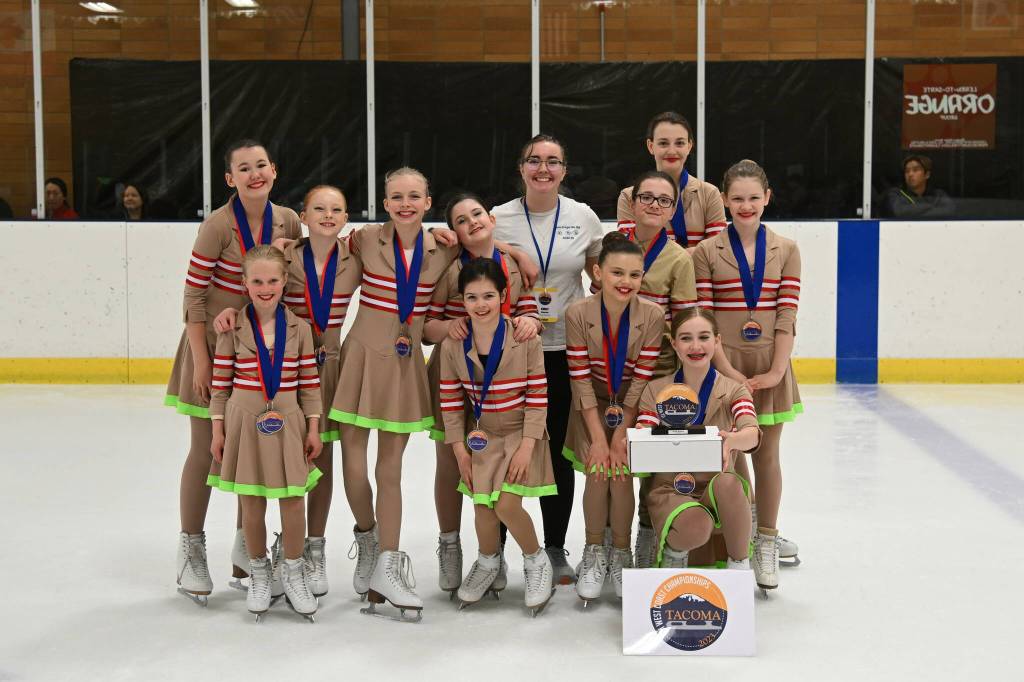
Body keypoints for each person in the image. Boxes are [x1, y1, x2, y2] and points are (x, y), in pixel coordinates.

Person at [167, 139, 303, 606]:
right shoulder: (217, 226)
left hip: (267, 352)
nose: (254, 174)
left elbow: (297, 280)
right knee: (206, 450)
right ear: (230, 179)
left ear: (274, 170)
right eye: (243, 169)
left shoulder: (287, 219)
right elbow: (193, 296)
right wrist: (203, 360)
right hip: (216, 350)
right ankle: (191, 546)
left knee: (263, 446)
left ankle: (249, 542)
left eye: (261, 165)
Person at [213, 185, 362, 598]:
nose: (328, 215)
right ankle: (256, 555)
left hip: (327, 368)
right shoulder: (287, 256)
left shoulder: (356, 256)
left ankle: (311, 551)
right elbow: (257, 281)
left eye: (337, 209)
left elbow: (403, 249)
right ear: (304, 214)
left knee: (318, 460)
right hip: (279, 374)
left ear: (347, 217)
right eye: (319, 208)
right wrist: (229, 310)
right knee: (258, 477)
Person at [327, 167, 459, 621]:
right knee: (352, 462)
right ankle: (367, 537)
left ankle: (388, 561)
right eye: (396, 196)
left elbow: (483, 246)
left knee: (391, 470)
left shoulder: (442, 249)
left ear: (428, 202)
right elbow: (324, 259)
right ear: (385, 203)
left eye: (414, 196)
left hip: (404, 366)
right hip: (361, 357)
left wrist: (514, 257)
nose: (405, 203)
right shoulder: (364, 241)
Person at [491, 133, 605, 584]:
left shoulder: (583, 217)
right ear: (521, 168)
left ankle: (555, 548)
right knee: (504, 452)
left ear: (564, 170)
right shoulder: (498, 218)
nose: (543, 169)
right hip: (511, 353)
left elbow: (601, 271)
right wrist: (514, 251)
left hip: (563, 350)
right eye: (534, 160)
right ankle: (493, 550)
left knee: (557, 451)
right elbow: (467, 241)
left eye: (553, 161)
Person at [423, 192, 541, 597]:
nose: (471, 222)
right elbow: (426, 327)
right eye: (461, 219)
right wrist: (450, 329)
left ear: (490, 219)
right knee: (454, 462)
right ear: (453, 232)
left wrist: (529, 321)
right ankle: (450, 544)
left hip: (506, 374)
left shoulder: (511, 261)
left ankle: (493, 557)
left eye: (477, 214)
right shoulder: (447, 266)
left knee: (498, 466)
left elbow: (529, 307)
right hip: (460, 371)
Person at [692, 159, 802, 594]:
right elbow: (705, 316)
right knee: (733, 455)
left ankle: (768, 540)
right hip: (725, 362)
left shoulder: (787, 249)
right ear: (723, 200)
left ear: (767, 198)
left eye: (754, 198)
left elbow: (786, 312)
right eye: (737, 198)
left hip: (771, 362)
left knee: (767, 453)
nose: (745, 205)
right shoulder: (706, 252)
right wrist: (726, 370)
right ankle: (745, 534)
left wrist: (777, 368)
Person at [207, 245, 322, 622]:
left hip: (288, 417)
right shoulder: (232, 327)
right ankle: (258, 571)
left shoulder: (299, 329)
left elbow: (309, 383)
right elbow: (220, 384)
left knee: (292, 500)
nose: (265, 287)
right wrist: (218, 429)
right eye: (257, 281)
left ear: (284, 281)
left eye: (273, 280)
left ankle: (292, 570)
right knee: (252, 503)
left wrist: (314, 426)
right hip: (243, 419)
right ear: (244, 283)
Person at [438, 258, 555, 615]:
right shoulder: (453, 344)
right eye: (472, 297)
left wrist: (526, 448)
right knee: (483, 508)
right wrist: (460, 452)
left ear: (504, 295)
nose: (481, 305)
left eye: (489, 295)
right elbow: (450, 402)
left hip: (522, 435)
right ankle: (489, 562)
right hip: (482, 437)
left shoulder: (524, 338)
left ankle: (537, 562)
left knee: (506, 504)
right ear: (462, 300)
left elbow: (538, 396)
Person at [602, 170, 700, 568]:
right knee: (611, 461)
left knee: (651, 462)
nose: (654, 205)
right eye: (647, 197)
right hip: (610, 372)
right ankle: (609, 539)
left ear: (673, 209)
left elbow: (686, 325)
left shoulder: (679, 259)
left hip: (657, 377)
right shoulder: (612, 246)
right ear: (633, 200)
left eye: (664, 200)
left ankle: (645, 534)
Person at [563, 232, 664, 604]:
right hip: (590, 405)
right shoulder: (577, 313)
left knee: (621, 470)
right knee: (597, 468)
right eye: (617, 273)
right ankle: (593, 549)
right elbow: (579, 381)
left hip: (632, 408)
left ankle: (621, 551)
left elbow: (641, 381)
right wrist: (599, 440)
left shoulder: (652, 316)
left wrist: (621, 436)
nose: (626, 282)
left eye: (634, 275)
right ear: (598, 272)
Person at [635, 307, 760, 572]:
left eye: (704, 337)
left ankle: (739, 566)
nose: (696, 346)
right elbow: (644, 430)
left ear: (717, 341)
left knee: (728, 482)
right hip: (671, 488)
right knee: (696, 524)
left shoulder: (733, 389)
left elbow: (751, 433)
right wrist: (636, 443)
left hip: (715, 486)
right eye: (686, 338)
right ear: (674, 344)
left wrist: (733, 440)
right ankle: (673, 554)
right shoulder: (656, 390)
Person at [616, 112, 725, 249]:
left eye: (679, 143)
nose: (672, 151)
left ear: (689, 146)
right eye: (663, 143)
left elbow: (717, 250)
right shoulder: (629, 197)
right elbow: (629, 252)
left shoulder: (709, 194)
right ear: (651, 146)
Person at [882, 154, 955, 219]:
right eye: (907, 171)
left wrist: (914, 212)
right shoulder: (895, 194)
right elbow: (899, 212)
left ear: (927, 175)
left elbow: (950, 210)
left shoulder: (938, 194)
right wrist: (932, 206)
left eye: (915, 170)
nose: (910, 174)